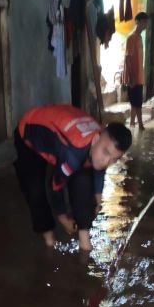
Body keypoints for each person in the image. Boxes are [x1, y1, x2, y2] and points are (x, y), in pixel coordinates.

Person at [14, 105, 132, 251]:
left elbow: (99, 171)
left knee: (83, 179)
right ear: (95, 139)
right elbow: (55, 186)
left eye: (114, 159)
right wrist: (63, 218)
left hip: (61, 132)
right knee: (35, 190)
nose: (107, 162)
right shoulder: (73, 154)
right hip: (29, 131)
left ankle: (84, 241)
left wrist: (97, 200)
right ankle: (49, 241)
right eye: (106, 153)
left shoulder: (100, 141)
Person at [123, 12, 149, 130]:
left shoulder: (139, 38)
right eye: (144, 22)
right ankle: (141, 125)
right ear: (138, 22)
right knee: (136, 103)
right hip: (134, 77)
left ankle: (133, 124)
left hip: (139, 76)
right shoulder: (132, 38)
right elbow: (127, 58)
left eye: (146, 22)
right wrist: (132, 77)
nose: (146, 25)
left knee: (136, 102)